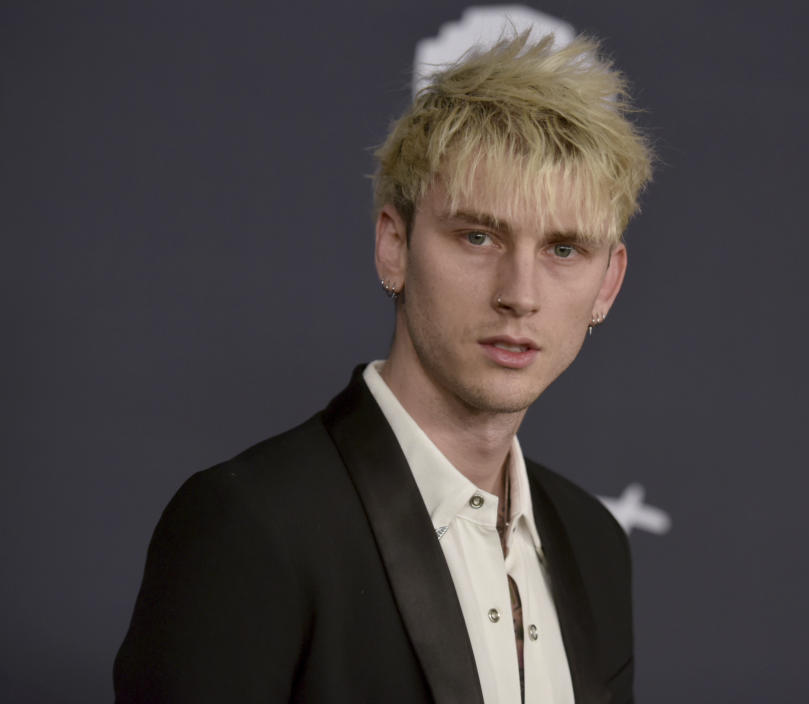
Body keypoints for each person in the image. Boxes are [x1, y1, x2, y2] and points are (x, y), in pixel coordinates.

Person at [114, 30, 653, 704]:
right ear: (394, 247)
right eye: (477, 236)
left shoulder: (593, 543)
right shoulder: (251, 525)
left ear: (607, 285)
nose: (519, 292)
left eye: (563, 249)